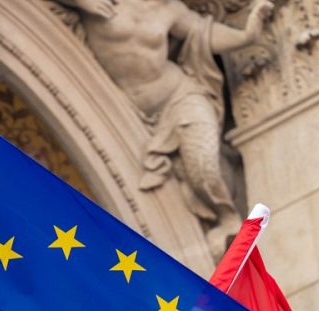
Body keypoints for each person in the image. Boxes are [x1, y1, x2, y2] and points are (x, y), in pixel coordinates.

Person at [57, 0, 275, 246]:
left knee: (204, 166)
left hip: (178, 96)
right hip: (123, 106)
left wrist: (247, 36)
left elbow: (203, 32)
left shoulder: (170, 8)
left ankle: (227, 218)